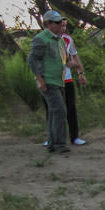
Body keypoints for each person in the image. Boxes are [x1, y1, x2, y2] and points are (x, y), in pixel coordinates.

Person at [28, 9, 69, 154]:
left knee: (54, 112)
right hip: (47, 81)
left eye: (61, 22)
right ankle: (59, 144)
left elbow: (64, 60)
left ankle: (52, 143)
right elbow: (32, 60)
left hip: (59, 81)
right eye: (57, 22)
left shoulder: (59, 40)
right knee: (59, 111)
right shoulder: (41, 38)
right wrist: (40, 80)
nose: (60, 25)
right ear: (48, 24)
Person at [43, 19, 87, 147]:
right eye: (61, 25)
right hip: (51, 79)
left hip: (66, 79)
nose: (63, 28)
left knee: (70, 108)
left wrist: (80, 73)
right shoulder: (44, 39)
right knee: (52, 110)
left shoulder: (68, 39)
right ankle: (52, 137)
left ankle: (75, 137)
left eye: (65, 26)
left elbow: (75, 58)